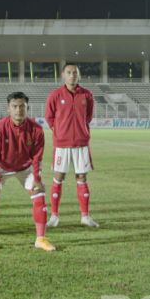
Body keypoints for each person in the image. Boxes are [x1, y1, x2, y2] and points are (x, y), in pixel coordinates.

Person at [0, 92, 55, 252]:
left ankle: (41, 239)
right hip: (1, 166)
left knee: (39, 196)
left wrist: (37, 178)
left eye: (22, 106)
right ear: (8, 109)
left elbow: (37, 157)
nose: (18, 110)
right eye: (14, 106)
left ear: (27, 108)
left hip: (25, 167)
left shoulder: (36, 129)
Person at [44, 62, 98, 228]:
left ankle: (85, 216)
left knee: (82, 177)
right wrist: (60, 131)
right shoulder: (55, 95)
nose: (72, 75)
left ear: (78, 75)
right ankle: (54, 216)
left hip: (81, 143)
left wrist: (81, 131)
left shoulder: (87, 95)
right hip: (62, 144)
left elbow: (88, 117)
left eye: (75, 72)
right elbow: (49, 117)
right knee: (59, 177)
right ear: (63, 75)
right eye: (69, 72)